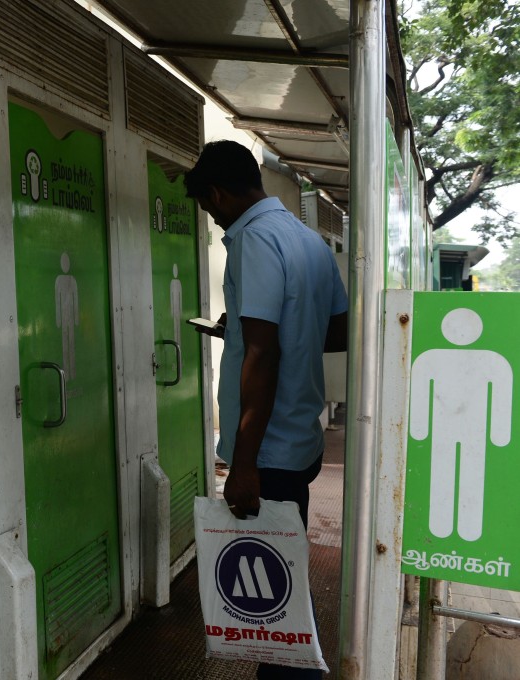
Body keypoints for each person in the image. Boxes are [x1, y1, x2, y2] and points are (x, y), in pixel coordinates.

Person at [185, 140, 348, 680]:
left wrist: (244, 465)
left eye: (210, 210)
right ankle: (293, 667)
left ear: (218, 194)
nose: (213, 220)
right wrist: (274, 332)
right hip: (301, 436)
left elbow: (261, 352)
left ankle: (293, 670)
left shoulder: (253, 239)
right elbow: (337, 328)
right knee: (288, 567)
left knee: (272, 587)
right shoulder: (308, 240)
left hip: (268, 451)